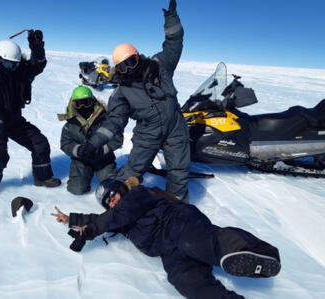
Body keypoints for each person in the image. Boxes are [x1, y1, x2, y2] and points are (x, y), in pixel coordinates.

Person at [52, 178, 281, 299]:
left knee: (200, 242)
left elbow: (108, 218)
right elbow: (104, 218)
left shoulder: (138, 196)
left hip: (178, 224)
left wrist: (90, 229)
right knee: (186, 282)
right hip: (168, 250)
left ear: (122, 189)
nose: (112, 201)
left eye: (113, 195)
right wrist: (72, 218)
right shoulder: (120, 221)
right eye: (108, 202)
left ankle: (256, 251)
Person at [78, 0, 191, 202]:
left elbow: (174, 43)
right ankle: (116, 200)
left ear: (138, 58)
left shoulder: (160, 65)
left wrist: (171, 18)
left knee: (179, 171)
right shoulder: (121, 93)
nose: (129, 70)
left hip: (176, 128)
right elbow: (114, 122)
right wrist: (93, 143)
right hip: (148, 134)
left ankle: (177, 210)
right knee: (134, 169)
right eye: (122, 67)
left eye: (131, 63)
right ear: (117, 70)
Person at [0, 30, 61, 192]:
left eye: (14, 64)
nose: (11, 68)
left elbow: (38, 64)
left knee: (39, 143)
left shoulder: (17, 70)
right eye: (7, 64)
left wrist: (37, 47)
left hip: (13, 119)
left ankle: (42, 178)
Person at [58, 86, 123, 195]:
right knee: (76, 190)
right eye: (79, 104)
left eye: (86, 102)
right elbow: (65, 143)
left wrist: (102, 150)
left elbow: (117, 139)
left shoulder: (106, 119)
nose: (83, 107)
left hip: (103, 159)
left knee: (111, 188)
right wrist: (78, 151)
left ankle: (118, 174)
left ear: (93, 102)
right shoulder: (70, 124)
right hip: (81, 161)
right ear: (73, 105)